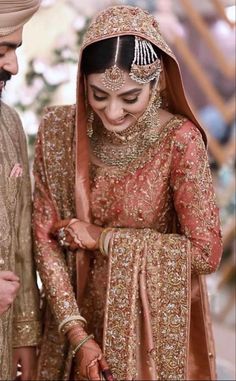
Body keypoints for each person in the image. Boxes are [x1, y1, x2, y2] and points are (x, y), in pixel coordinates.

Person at [33, 5, 222, 381]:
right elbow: (44, 234)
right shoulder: (58, 130)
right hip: (70, 316)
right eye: (98, 95)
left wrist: (102, 240)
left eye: (130, 98)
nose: (112, 112)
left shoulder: (178, 142)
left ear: (159, 83)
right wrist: (77, 334)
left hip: (145, 333)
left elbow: (206, 253)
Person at [0, 1, 41, 380]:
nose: (12, 66)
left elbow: (21, 247)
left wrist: (25, 337)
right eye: (2, 51)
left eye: (14, 50)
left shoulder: (10, 124)